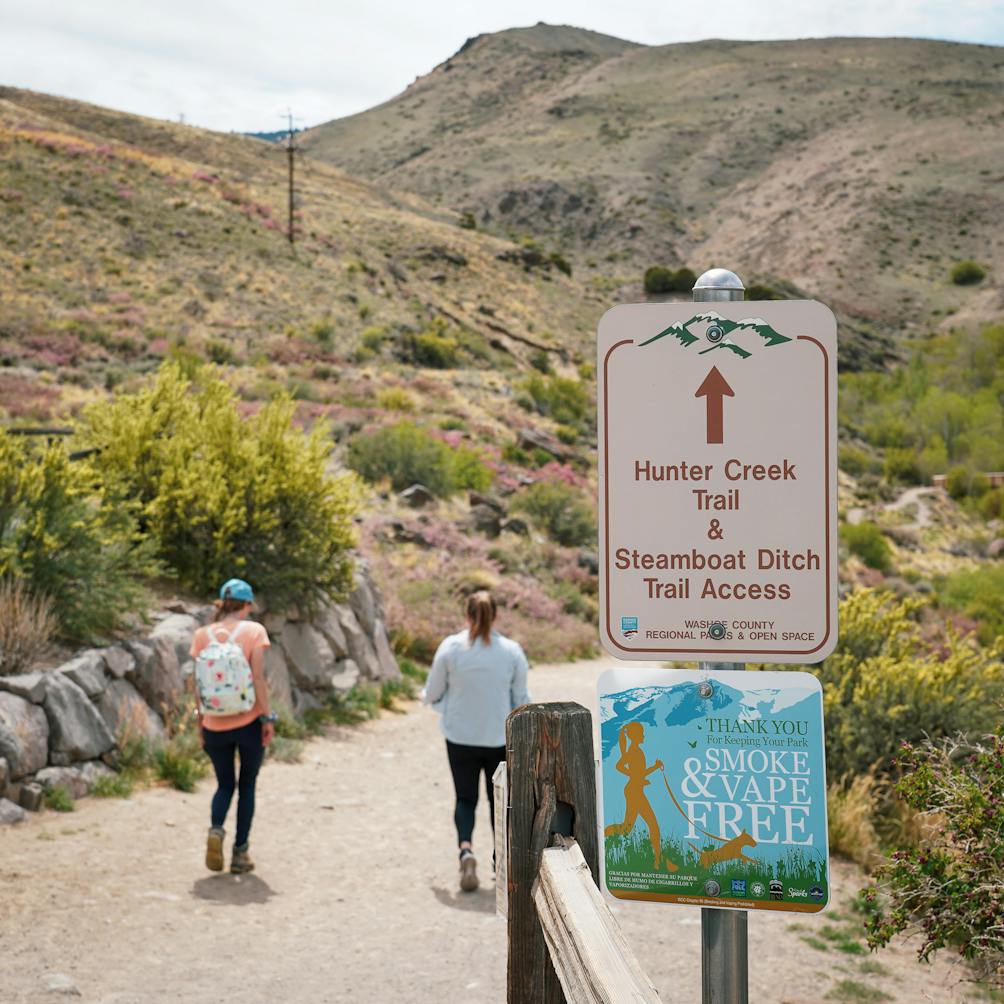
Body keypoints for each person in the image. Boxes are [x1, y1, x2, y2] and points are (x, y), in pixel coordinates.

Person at [424, 590, 530, 893]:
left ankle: (466, 850)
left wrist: (427, 699)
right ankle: (502, 861)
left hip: (460, 736)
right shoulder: (511, 651)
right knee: (499, 800)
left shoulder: (451, 648)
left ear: (467, 615)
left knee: (465, 798)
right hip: (500, 738)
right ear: (495, 616)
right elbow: (521, 698)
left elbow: (432, 691)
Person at [189, 578, 275, 875]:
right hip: (248, 721)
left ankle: (216, 829)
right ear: (247, 604)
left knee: (224, 784)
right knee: (247, 785)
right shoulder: (254, 632)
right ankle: (240, 853)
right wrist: (266, 717)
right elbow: (258, 679)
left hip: (214, 724)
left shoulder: (202, 635)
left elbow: (197, 684)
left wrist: (201, 723)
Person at [604, 721, 675, 871]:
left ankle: (658, 860)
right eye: (641, 733)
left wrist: (639, 776)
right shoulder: (634, 751)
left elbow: (632, 770)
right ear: (635, 736)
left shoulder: (635, 750)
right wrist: (641, 774)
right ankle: (604, 834)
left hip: (636, 790)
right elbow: (621, 767)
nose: (643, 735)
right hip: (634, 792)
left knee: (637, 827)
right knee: (631, 828)